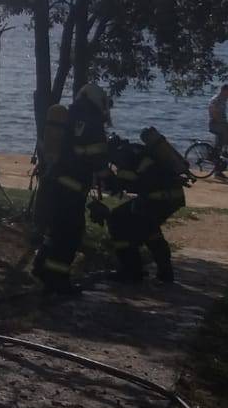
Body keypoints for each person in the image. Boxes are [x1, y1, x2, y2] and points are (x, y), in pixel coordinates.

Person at [31, 83, 112, 294]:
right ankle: (57, 281)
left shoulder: (70, 116)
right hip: (72, 189)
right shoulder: (92, 122)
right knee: (70, 236)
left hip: (54, 182)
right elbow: (99, 159)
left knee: (56, 230)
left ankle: (40, 266)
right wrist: (111, 179)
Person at [95, 128, 188, 284]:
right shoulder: (134, 150)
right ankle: (163, 273)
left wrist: (106, 176)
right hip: (168, 197)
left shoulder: (123, 156)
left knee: (118, 220)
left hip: (159, 199)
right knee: (147, 229)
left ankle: (132, 271)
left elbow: (122, 184)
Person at [208, 84, 228, 180]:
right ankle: (217, 154)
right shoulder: (216, 100)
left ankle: (223, 151)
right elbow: (214, 114)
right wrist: (227, 124)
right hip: (215, 124)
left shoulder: (223, 100)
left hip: (221, 124)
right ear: (224, 90)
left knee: (219, 147)